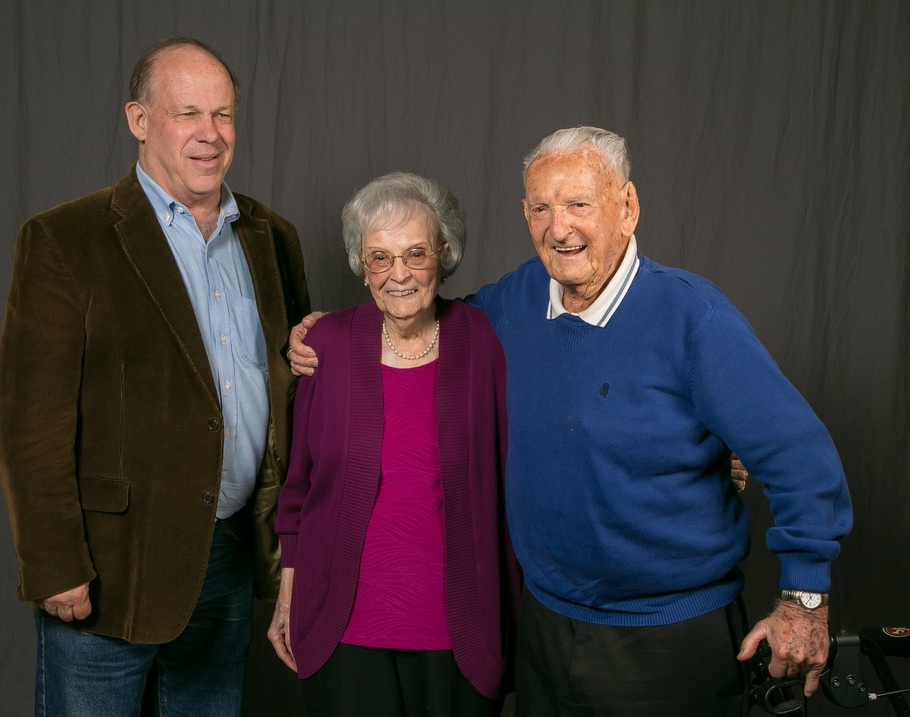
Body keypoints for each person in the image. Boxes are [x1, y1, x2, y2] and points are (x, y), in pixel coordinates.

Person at [288, 126, 852, 715]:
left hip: (668, 639)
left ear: (627, 207)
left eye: (579, 204)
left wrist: (804, 600)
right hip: (545, 629)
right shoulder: (514, 304)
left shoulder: (693, 317)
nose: (560, 228)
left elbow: (800, 458)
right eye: (542, 208)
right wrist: (327, 333)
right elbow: (421, 313)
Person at [0, 36, 310, 716]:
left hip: (226, 556)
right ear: (140, 121)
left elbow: (293, 388)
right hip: (109, 565)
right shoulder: (65, 240)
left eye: (223, 115)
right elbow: (30, 423)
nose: (211, 135)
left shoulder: (270, 236)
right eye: (188, 114)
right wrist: (54, 563)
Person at [267, 172, 518, 716]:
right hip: (343, 628)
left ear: (444, 255)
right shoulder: (326, 344)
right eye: (379, 257)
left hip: (460, 632)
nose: (398, 274)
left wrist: (711, 446)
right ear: (361, 267)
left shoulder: (484, 339)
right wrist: (288, 594)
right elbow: (299, 488)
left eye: (415, 253)